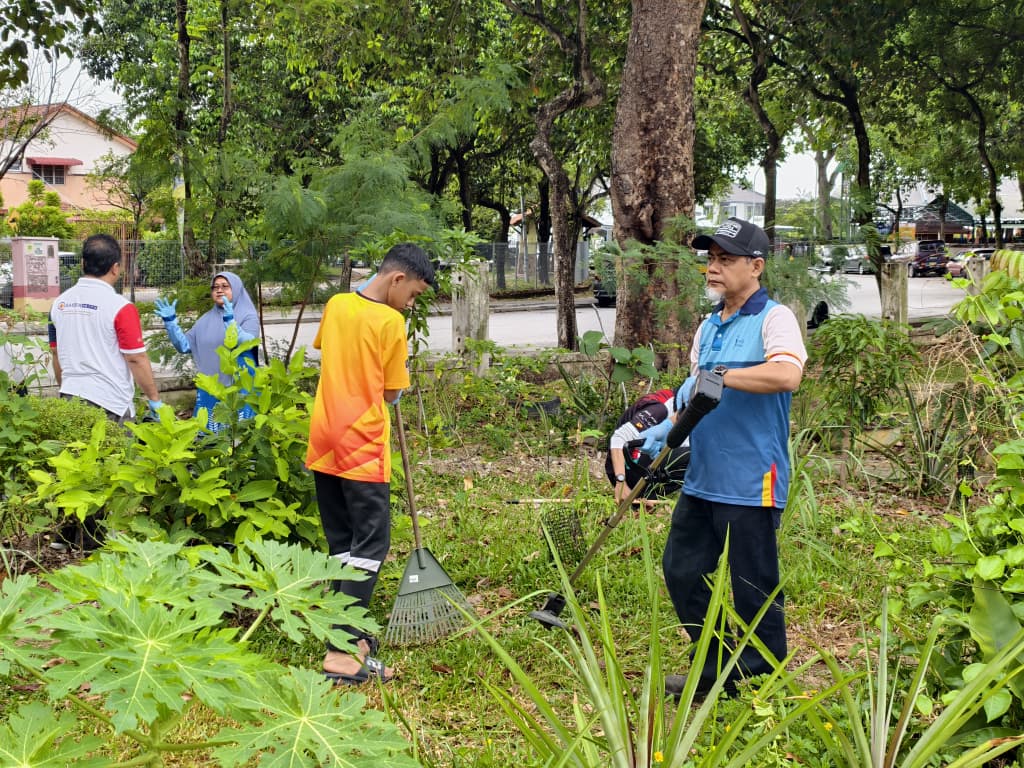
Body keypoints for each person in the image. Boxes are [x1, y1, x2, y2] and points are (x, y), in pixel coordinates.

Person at [661, 217, 807, 699]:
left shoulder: (774, 318)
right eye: (710, 259)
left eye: (726, 260)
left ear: (756, 266)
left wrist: (722, 375)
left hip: (751, 479)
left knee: (754, 590)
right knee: (680, 571)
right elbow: (691, 398)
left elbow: (786, 375)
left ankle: (763, 677)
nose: (713, 269)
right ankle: (721, 666)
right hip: (703, 475)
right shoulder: (707, 327)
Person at [305, 243, 434, 685]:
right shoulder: (390, 322)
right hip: (362, 445)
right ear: (397, 279)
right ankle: (341, 652)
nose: (411, 302)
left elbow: (330, 352)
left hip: (324, 438)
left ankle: (353, 638)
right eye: (414, 293)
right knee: (371, 546)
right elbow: (392, 392)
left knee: (343, 542)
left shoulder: (338, 304)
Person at [48, 233, 163, 549]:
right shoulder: (119, 307)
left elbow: (56, 355)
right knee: (109, 469)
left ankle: (66, 535)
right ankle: (94, 542)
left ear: (83, 263)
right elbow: (136, 358)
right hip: (108, 402)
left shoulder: (58, 304)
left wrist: (65, 390)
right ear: (116, 267)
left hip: (70, 396)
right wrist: (154, 399)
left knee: (74, 465)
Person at [153, 272, 259, 431]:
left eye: (225, 286)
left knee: (238, 441)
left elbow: (248, 342)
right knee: (209, 441)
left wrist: (230, 321)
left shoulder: (248, 316)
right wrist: (170, 323)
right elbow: (184, 345)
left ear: (236, 289)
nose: (219, 290)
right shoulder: (205, 320)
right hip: (210, 391)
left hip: (239, 392)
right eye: (215, 287)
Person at [605, 387, 690, 505]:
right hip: (627, 466)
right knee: (693, 456)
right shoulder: (660, 408)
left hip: (652, 459)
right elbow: (618, 438)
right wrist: (621, 482)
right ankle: (640, 495)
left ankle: (649, 497)